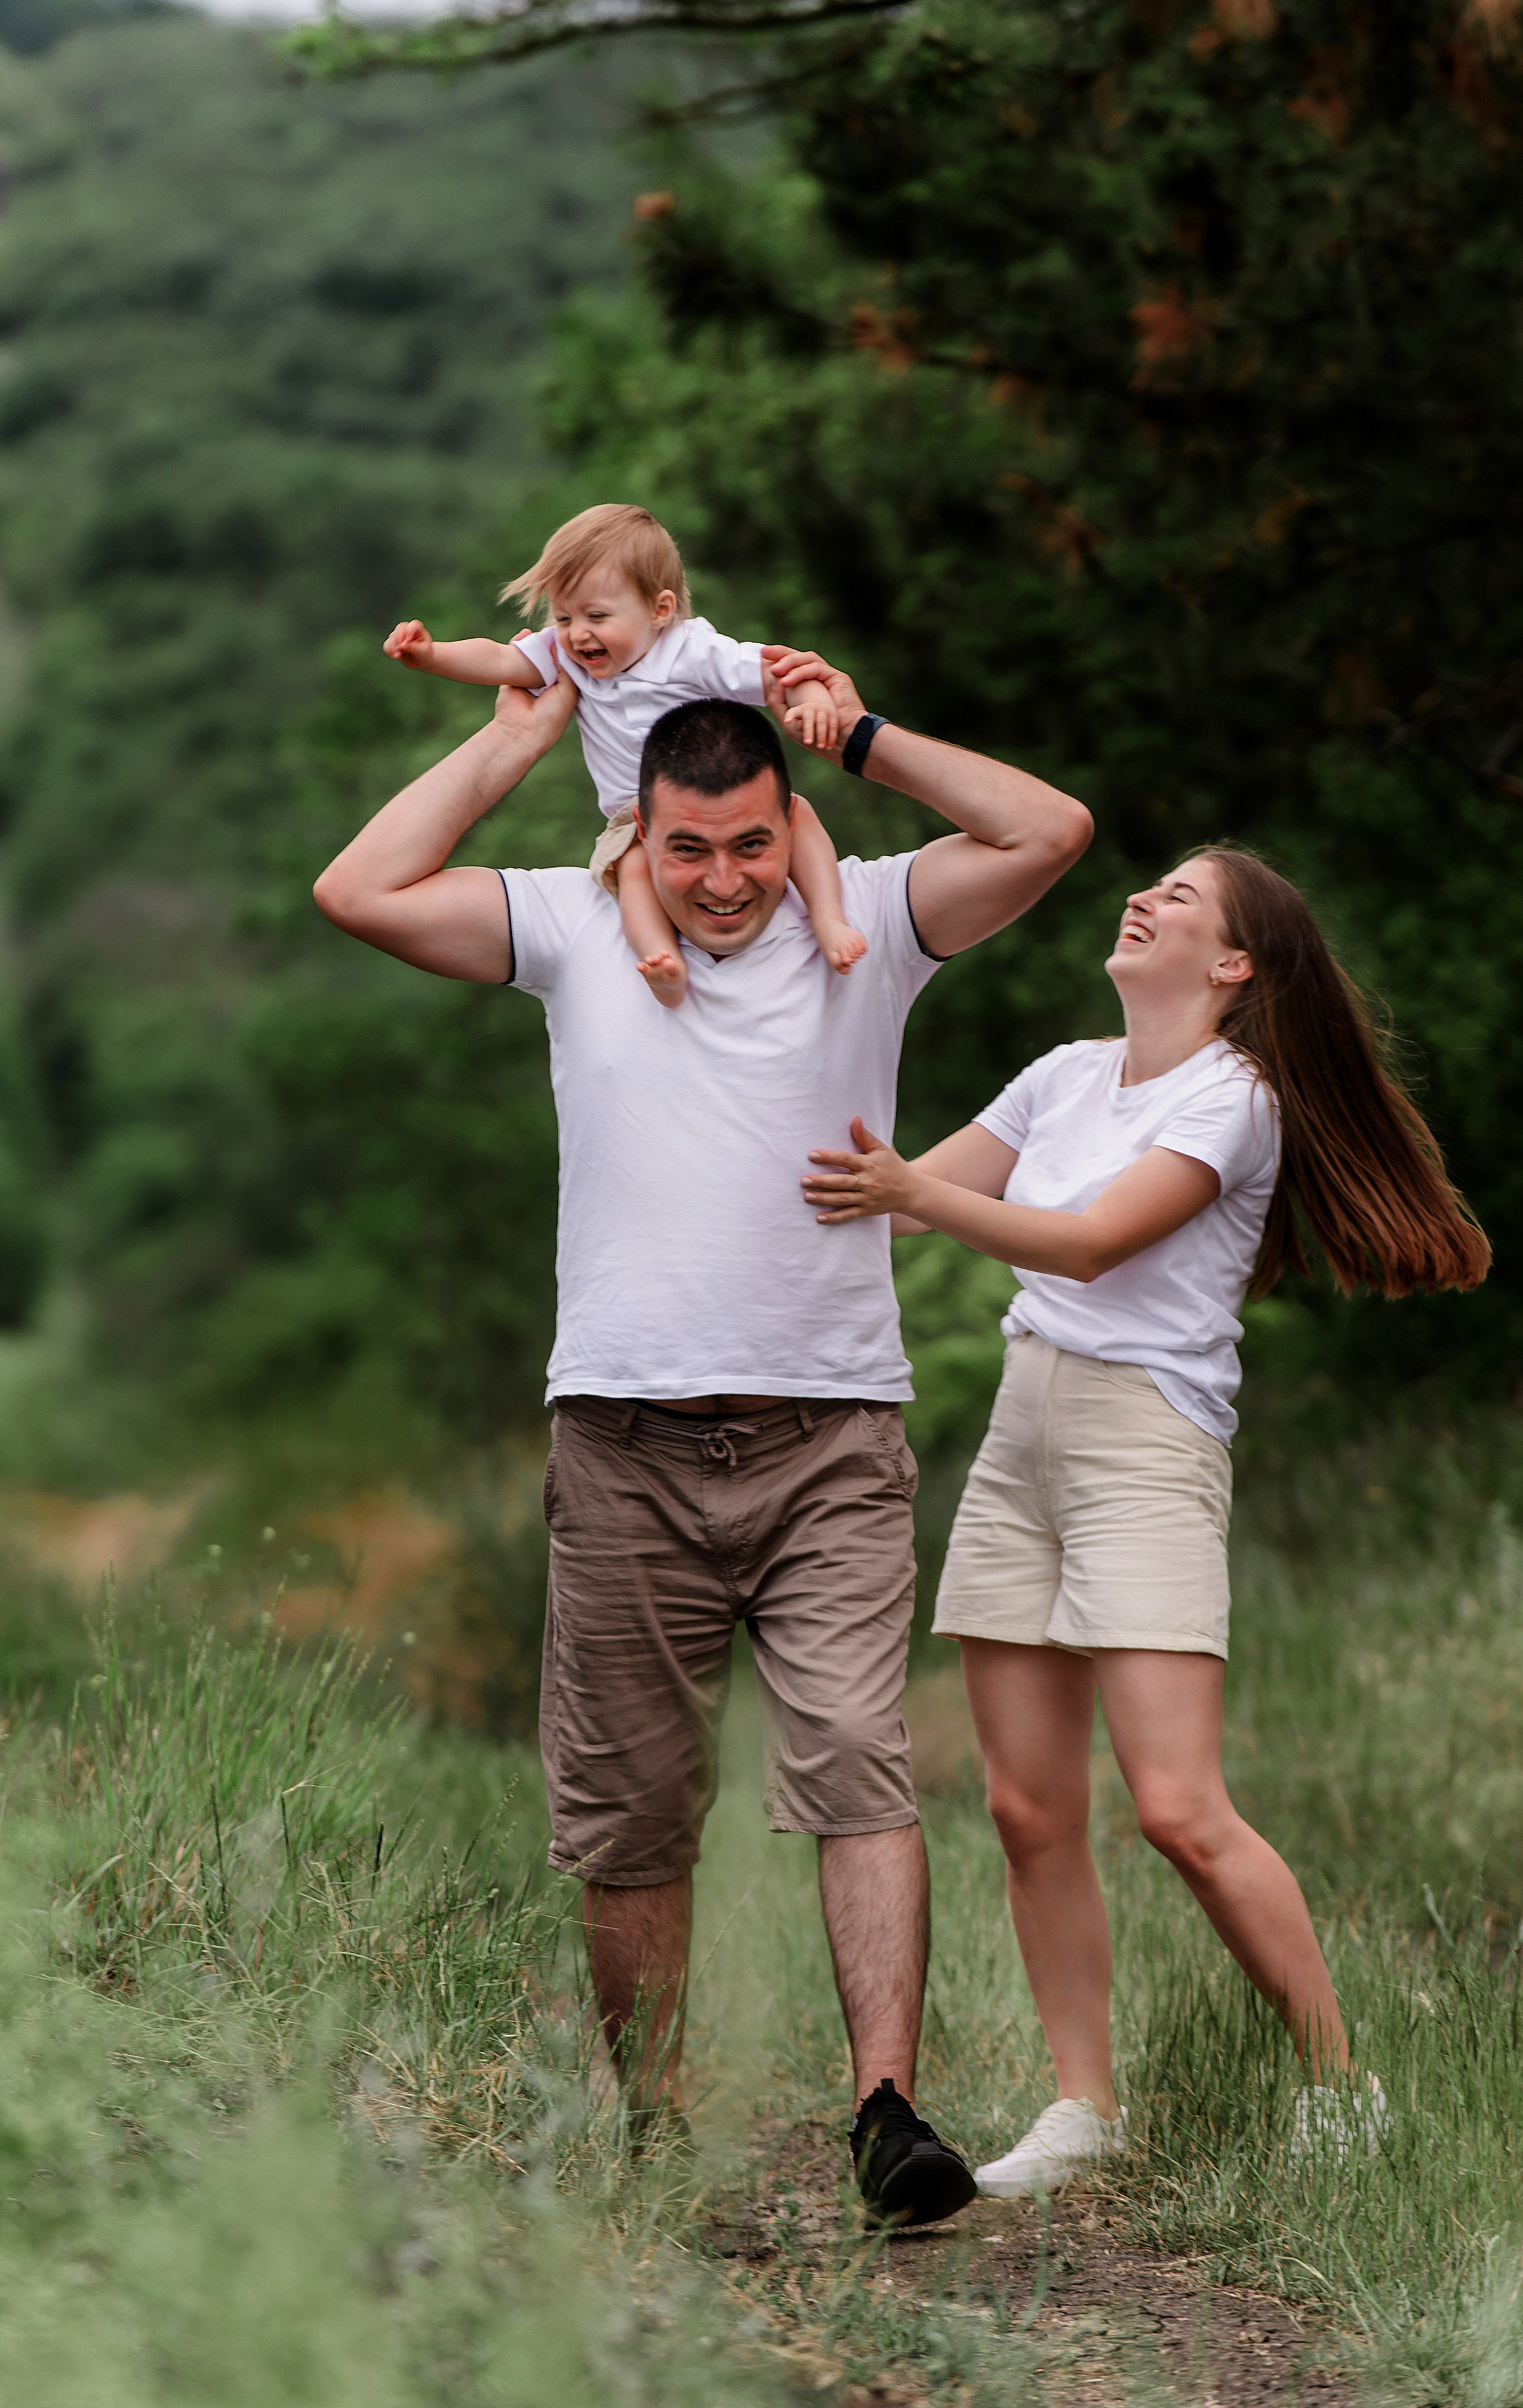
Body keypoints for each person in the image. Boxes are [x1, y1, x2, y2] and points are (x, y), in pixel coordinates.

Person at [311, 651, 1093, 2228]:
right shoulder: (572, 924)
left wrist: (858, 733)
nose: (725, 880)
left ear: (783, 820)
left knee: (859, 1765)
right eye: (690, 849)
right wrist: (510, 734)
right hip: (621, 1437)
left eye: (750, 842)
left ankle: (886, 2116)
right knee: (631, 1805)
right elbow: (359, 886)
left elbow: (1048, 828)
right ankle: (655, 2138)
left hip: (829, 1434)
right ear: (638, 835)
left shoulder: (862, 925)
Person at [800, 844, 1490, 2192]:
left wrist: (910, 1194)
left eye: (1181, 897)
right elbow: (886, 1204)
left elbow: (1089, 1238)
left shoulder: (1233, 1097)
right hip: (1022, 1432)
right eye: (1150, 885)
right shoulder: (1061, 1074)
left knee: (1177, 1806)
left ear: (1232, 965)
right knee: (1026, 1806)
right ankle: (1083, 2110)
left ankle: (1344, 2086)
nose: (1144, 897)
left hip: (1143, 1447)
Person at [382, 501, 862, 1007]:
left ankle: (828, 919)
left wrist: (812, 703)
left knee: (799, 816)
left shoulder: (692, 651)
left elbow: (778, 673)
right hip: (631, 819)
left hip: (718, 803)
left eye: (597, 616)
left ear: (660, 610)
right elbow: (501, 658)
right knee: (630, 867)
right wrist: (433, 655)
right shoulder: (568, 657)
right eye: (563, 617)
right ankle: (663, 964)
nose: (577, 633)